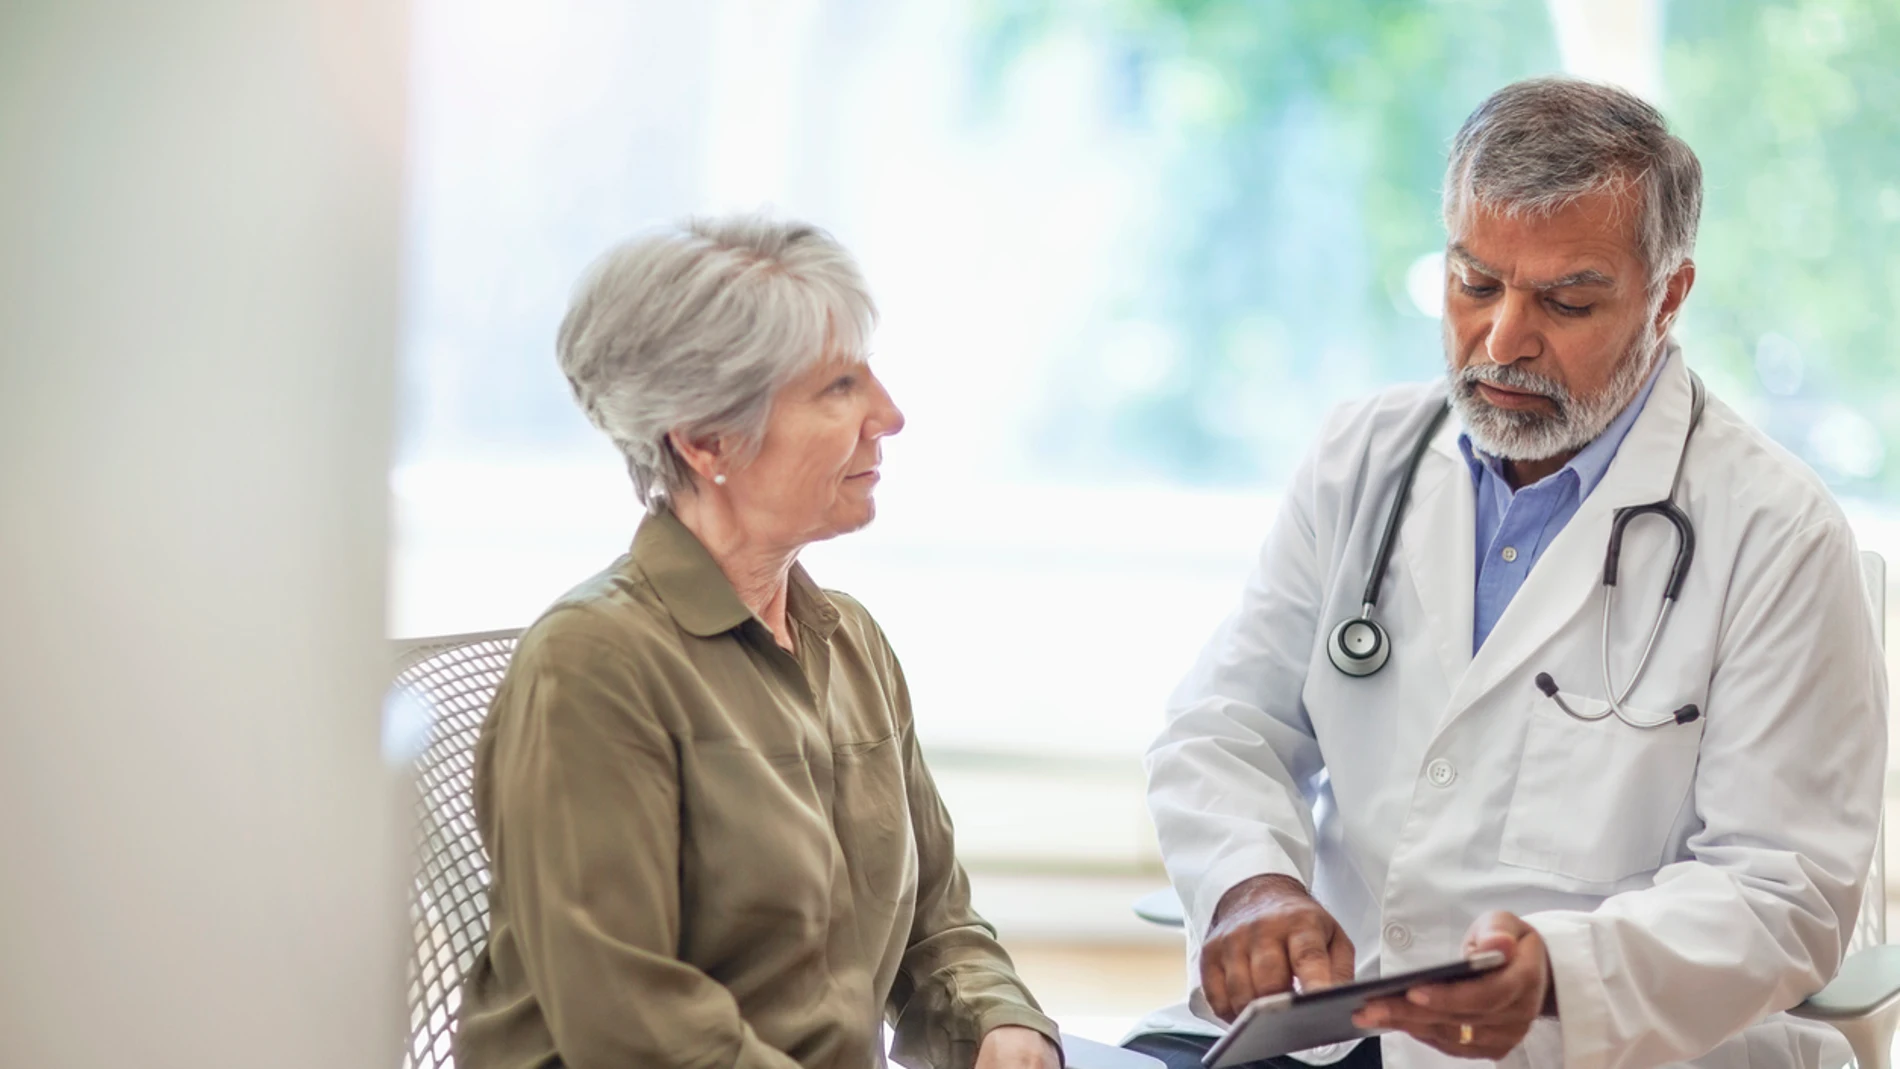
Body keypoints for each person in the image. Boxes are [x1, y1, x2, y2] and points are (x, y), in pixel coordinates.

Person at [1130, 77, 1888, 1069]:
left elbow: (1780, 888)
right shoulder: (1365, 456)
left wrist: (1565, 979)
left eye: (1566, 300)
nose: (1502, 340)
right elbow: (1225, 726)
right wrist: (1250, 884)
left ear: (1667, 296)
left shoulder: (1775, 533)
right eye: (1474, 283)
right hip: (1336, 1035)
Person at [454, 216, 1062, 1069]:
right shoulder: (591, 666)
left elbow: (939, 924)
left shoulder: (853, 645)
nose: (889, 414)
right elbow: (637, 1026)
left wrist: (1003, 1028)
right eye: (839, 387)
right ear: (707, 441)